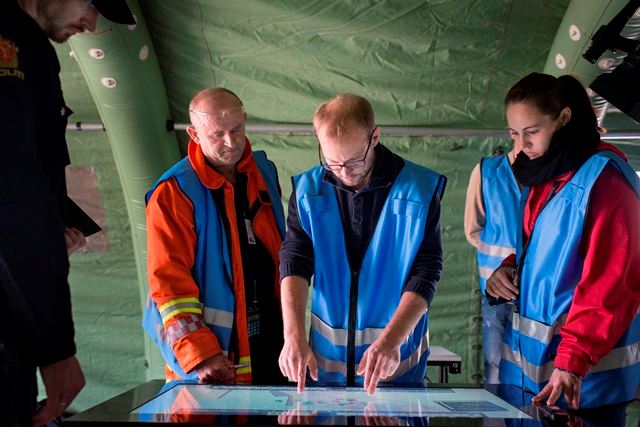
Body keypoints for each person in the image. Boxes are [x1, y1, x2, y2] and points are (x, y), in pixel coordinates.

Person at [0, 1, 134, 426]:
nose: (92, 22)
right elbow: (15, 189)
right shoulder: (14, 40)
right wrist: (56, 345)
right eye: (91, 3)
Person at [486, 73, 640, 410]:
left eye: (532, 132)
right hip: (529, 378)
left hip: (584, 384)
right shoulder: (544, 175)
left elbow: (612, 281)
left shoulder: (606, 180)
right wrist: (509, 269)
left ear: (564, 119)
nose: (521, 146)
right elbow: (546, 249)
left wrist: (572, 360)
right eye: (514, 133)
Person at [279, 93, 447, 395]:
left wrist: (392, 341)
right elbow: (295, 260)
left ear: (375, 137)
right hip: (325, 370)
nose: (344, 173)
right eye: (332, 163)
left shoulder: (420, 189)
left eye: (354, 161)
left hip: (396, 366)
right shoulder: (306, 190)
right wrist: (293, 336)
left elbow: (427, 271)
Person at [143, 88, 286, 385]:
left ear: (245, 119)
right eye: (216, 135)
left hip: (272, 342)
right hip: (213, 359)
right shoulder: (172, 193)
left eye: (237, 129)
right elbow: (169, 285)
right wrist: (200, 354)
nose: (231, 142)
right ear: (194, 134)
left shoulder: (264, 171)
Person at [464, 144, 521, 384]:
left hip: (537, 289)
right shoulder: (486, 170)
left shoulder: (552, 173)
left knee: (533, 365)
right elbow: (473, 229)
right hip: (495, 290)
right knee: (495, 362)